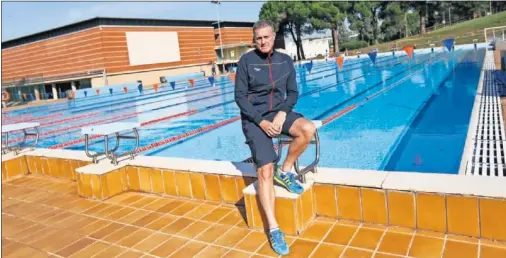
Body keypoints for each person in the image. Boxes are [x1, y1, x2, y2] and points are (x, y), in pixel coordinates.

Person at [234, 20, 316, 256]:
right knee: (265, 170)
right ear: (254, 39)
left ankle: (286, 171)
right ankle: (274, 228)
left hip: (278, 113)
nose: (263, 41)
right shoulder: (246, 62)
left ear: (273, 36)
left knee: (307, 129)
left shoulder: (285, 60)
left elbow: (293, 93)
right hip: (254, 119)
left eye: (266, 37)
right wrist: (261, 121)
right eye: (258, 38)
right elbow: (240, 98)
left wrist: (281, 114)